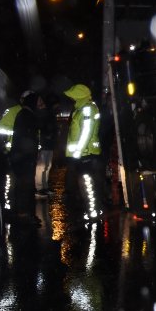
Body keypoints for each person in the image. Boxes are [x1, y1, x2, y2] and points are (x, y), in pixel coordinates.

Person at [64, 83, 104, 223]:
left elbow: (86, 132)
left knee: (87, 184)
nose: (72, 99)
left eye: (74, 96)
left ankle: (93, 214)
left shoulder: (87, 109)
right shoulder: (82, 108)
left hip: (86, 154)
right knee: (87, 184)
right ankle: (93, 211)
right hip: (84, 153)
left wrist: (78, 152)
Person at [6, 91, 41, 225]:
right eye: (37, 102)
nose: (39, 105)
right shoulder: (26, 116)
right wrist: (29, 157)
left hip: (22, 158)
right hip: (24, 159)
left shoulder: (25, 114)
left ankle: (25, 214)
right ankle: (23, 216)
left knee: (25, 187)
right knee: (24, 187)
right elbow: (27, 139)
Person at [35, 92, 58, 196]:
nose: (41, 102)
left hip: (49, 143)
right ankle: (39, 188)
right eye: (38, 100)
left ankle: (45, 187)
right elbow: (40, 128)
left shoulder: (48, 112)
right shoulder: (38, 113)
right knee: (41, 167)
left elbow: (52, 126)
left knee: (47, 166)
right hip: (43, 144)